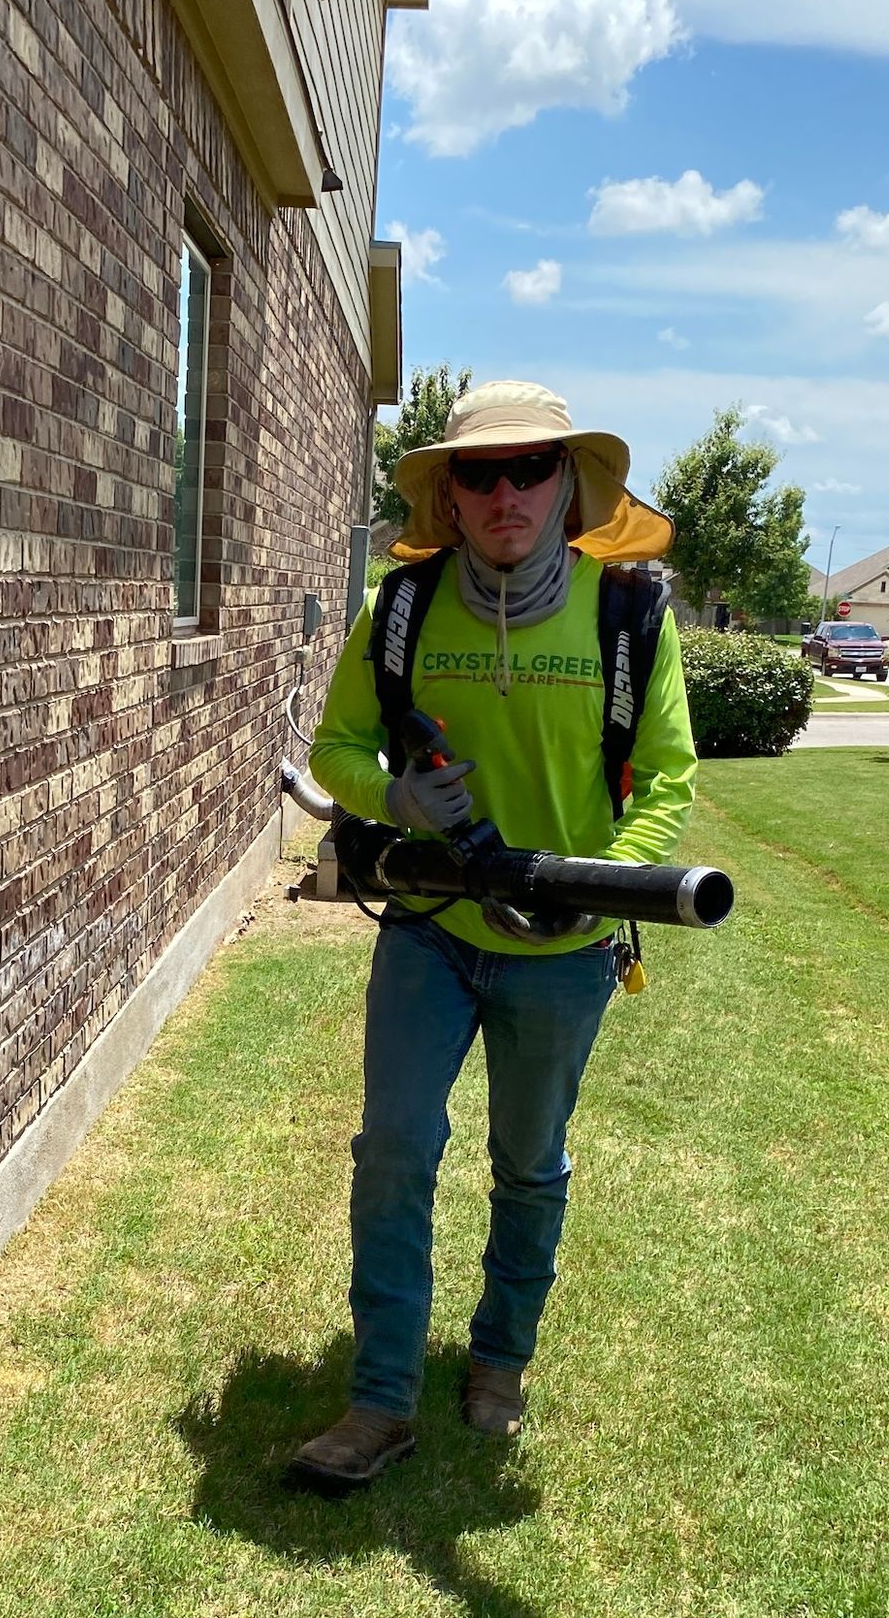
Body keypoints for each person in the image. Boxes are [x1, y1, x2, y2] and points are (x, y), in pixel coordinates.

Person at [292, 380, 697, 1488]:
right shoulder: (404, 609)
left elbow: (665, 780)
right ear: (450, 496)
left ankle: (500, 1360)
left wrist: (598, 885)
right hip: (428, 928)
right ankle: (380, 1397)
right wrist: (394, 799)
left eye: (531, 468)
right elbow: (333, 747)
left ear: (569, 485)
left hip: (564, 955)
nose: (506, 489)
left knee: (527, 1167)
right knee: (393, 1154)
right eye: (480, 472)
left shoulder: (629, 617)